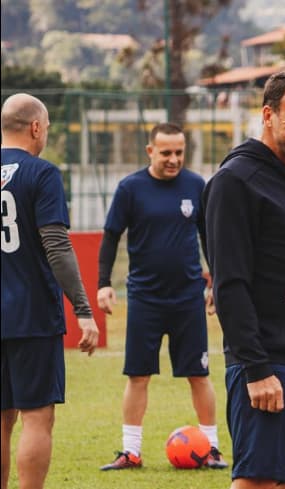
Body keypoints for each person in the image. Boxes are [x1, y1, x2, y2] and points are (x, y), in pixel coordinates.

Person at [203, 68, 285, 488]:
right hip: (268, 361)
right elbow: (229, 284)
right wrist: (256, 368)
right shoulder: (234, 181)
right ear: (268, 115)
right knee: (257, 481)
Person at [97, 122, 226, 470]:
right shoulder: (130, 188)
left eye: (179, 153)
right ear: (150, 151)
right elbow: (111, 236)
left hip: (188, 298)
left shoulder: (196, 186)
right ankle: (131, 451)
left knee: (199, 374)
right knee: (138, 375)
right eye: (166, 152)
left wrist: (216, 282)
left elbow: (208, 238)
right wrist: (104, 283)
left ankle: (212, 448)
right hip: (145, 299)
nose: (173, 159)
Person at [1, 93, 100, 489]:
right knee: (36, 417)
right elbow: (57, 246)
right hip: (32, 315)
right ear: (36, 127)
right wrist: (83, 309)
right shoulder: (41, 173)